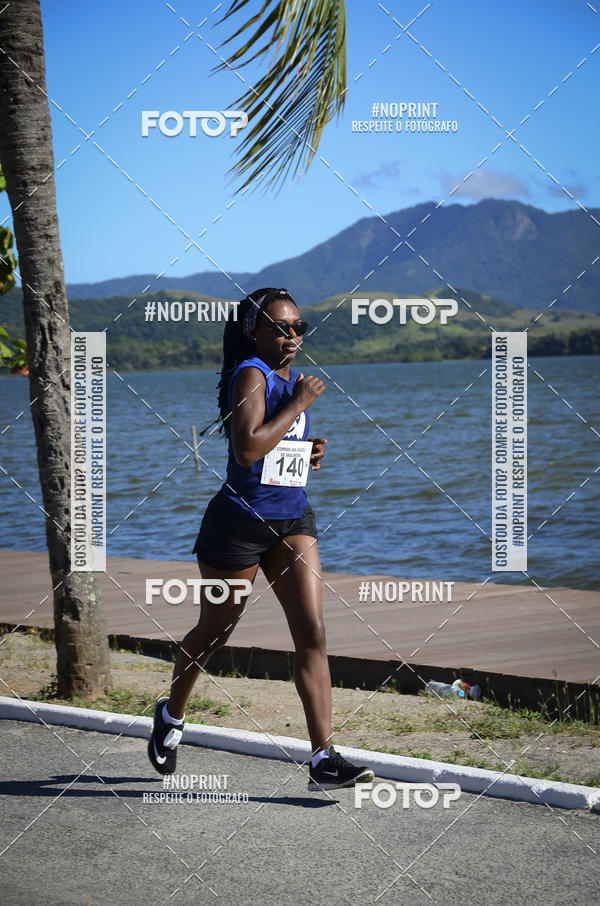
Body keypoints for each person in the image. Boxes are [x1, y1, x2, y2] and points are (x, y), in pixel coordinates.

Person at [148, 287, 374, 791]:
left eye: (300, 327)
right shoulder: (251, 373)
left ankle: (323, 759)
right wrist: (297, 405)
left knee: (312, 631)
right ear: (255, 331)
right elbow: (247, 448)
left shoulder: (289, 379)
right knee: (214, 632)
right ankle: (170, 713)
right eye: (281, 326)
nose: (293, 335)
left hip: (292, 521)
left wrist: (306, 449)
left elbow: (273, 445)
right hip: (238, 527)